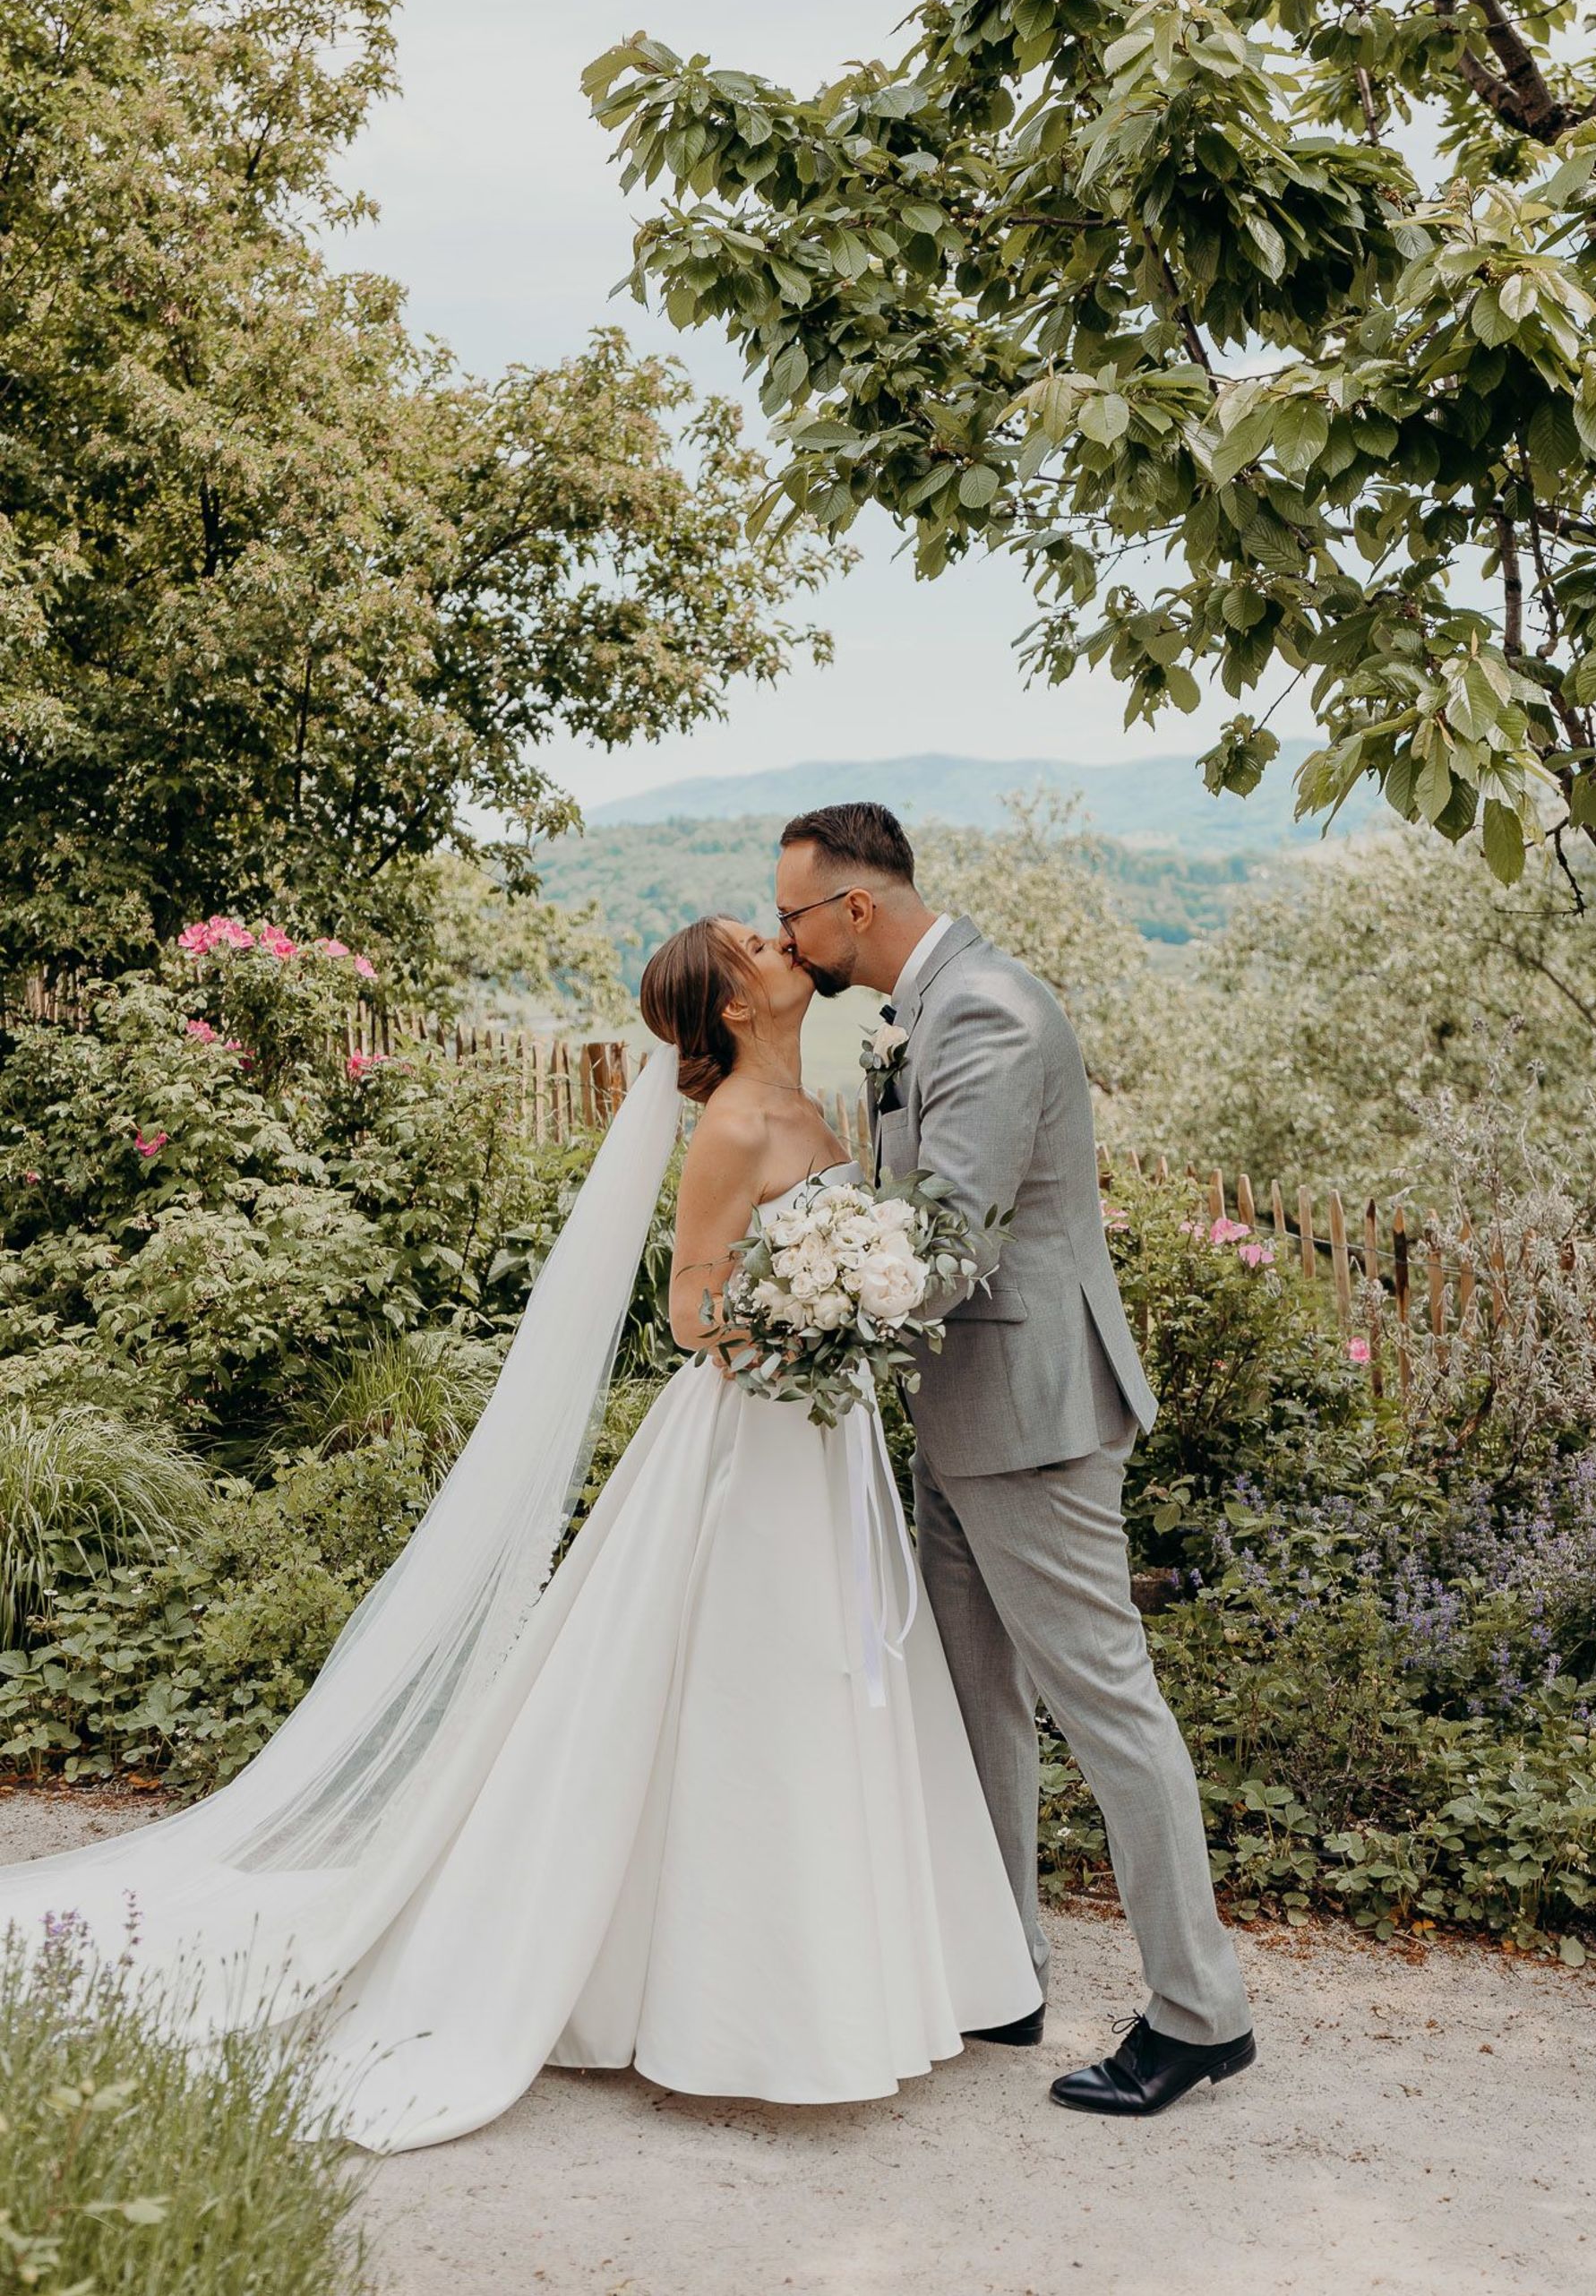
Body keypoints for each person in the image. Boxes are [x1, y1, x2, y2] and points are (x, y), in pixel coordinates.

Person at [0, 915, 1040, 2152]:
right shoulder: (732, 1127)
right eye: (757, 946)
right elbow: (690, 1309)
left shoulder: (812, 1106)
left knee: (840, 1673)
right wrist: (811, 1313)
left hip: (827, 1437)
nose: (781, 945)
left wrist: (854, 1298)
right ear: (732, 1005)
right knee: (759, 1684)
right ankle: (740, 2004)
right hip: (752, 1443)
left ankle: (861, 1979)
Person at [774, 801, 1257, 2117]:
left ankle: (1200, 2012)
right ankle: (1002, 1970)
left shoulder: (984, 1010)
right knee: (974, 1696)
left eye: (794, 914)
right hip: (962, 1409)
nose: (786, 937)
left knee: (1107, 1704)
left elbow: (949, 1238)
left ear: (856, 907)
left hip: (1032, 1417)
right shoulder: (922, 1009)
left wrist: (807, 1296)